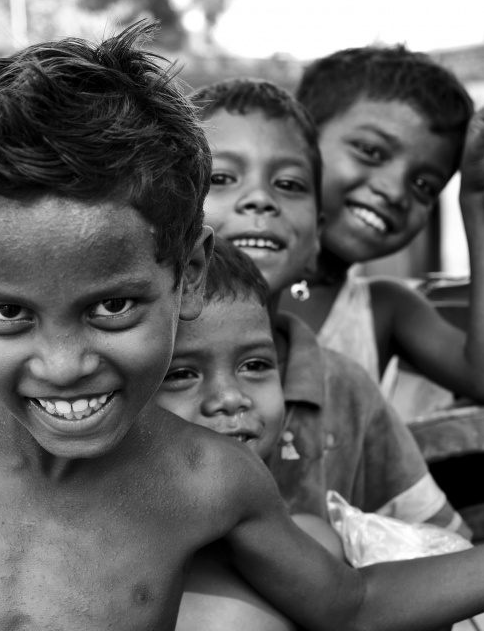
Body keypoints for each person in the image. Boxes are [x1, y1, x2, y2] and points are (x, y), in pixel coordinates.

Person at [0, 24, 484, 630]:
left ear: (189, 275)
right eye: (11, 313)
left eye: (112, 308)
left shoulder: (209, 480)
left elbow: (350, 606)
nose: (63, 365)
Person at [188, 77, 467, 533]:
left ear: (317, 234)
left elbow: (444, 538)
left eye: (288, 184)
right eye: (221, 178)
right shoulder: (134, 374)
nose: (260, 199)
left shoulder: (347, 390)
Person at [278, 45, 484, 409]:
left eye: (424, 185)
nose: (395, 191)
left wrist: (479, 199)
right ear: (297, 137)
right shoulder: (210, 269)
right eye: (371, 151)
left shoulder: (385, 309)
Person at [155, 239, 344, 631]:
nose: (230, 399)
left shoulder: (312, 548)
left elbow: (363, 608)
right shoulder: (100, 559)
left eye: (255, 365)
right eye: (182, 374)